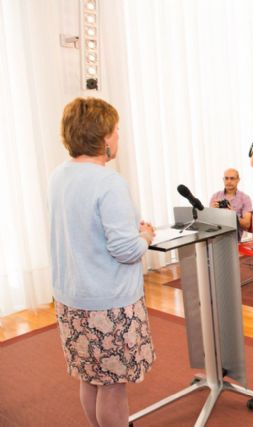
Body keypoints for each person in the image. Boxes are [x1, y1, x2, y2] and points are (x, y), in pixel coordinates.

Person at [49, 97, 156, 426]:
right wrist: (145, 237)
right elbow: (125, 250)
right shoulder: (108, 182)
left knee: (90, 378)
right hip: (108, 304)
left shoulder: (59, 175)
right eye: (116, 130)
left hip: (71, 299)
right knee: (112, 386)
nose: (118, 136)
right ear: (104, 137)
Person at [209, 168, 253, 239]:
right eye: (226, 178)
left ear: (238, 180)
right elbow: (209, 222)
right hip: (217, 235)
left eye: (232, 178)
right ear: (223, 180)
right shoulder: (216, 196)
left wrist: (233, 215)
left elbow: (247, 224)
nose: (229, 181)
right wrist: (211, 211)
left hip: (235, 237)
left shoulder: (245, 198)